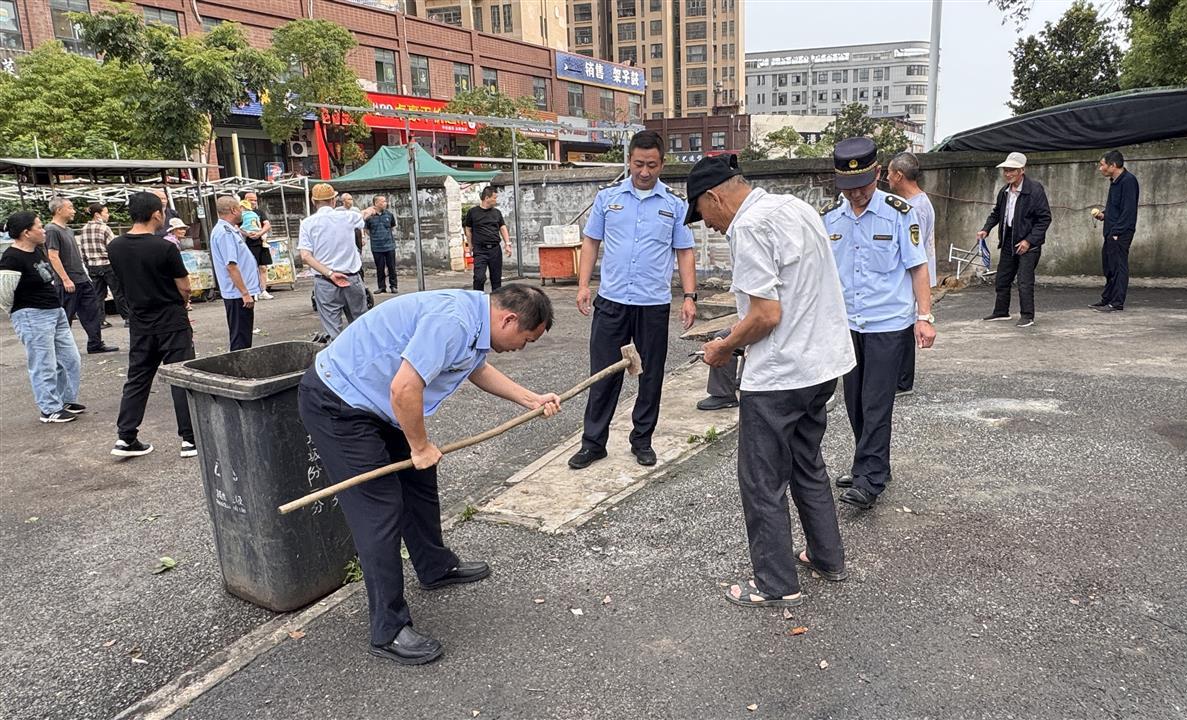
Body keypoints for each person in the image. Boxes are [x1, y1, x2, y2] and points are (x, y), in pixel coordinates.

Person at [297, 284, 562, 664]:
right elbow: (404, 388)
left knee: (418, 481)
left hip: (377, 403)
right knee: (379, 508)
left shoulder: (475, 320)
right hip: (338, 402)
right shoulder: (454, 321)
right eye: (526, 339)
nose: (522, 348)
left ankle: (435, 566)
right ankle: (388, 630)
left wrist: (530, 399)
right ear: (509, 319)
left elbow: (476, 368)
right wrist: (419, 447)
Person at [687, 155, 856, 609]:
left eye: (702, 215)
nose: (709, 227)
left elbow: (765, 314)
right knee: (806, 463)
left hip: (780, 374)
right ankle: (827, 557)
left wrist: (725, 347)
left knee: (762, 480)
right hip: (821, 365)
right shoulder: (796, 207)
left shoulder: (748, 226)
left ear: (714, 197)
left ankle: (776, 583)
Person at [570, 130, 698, 470]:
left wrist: (689, 296)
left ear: (662, 164)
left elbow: (685, 251)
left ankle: (642, 440)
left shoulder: (674, 205)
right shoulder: (607, 199)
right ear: (629, 161)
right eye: (639, 164)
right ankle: (593, 443)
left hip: (652, 304)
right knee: (603, 375)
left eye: (652, 165)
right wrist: (583, 285)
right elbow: (591, 242)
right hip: (611, 301)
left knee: (651, 376)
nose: (644, 171)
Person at [823, 137, 937, 511]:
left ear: (877, 175)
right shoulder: (830, 218)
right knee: (854, 401)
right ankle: (871, 465)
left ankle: (868, 480)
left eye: (862, 186)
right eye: (848, 187)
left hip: (888, 322)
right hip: (849, 323)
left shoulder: (899, 213)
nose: (856, 194)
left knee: (876, 402)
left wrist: (924, 317)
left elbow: (918, 267)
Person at [108, 192, 197, 459]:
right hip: (171, 320)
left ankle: (126, 436)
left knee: (137, 379)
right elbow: (184, 286)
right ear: (157, 214)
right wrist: (183, 302)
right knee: (181, 376)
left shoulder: (115, 246)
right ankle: (190, 439)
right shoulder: (165, 247)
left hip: (140, 322)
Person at [0, 211, 84, 423]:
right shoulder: (11, 258)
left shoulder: (37, 250)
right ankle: (49, 408)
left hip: (55, 310)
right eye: (39, 226)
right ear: (26, 232)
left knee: (70, 359)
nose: (43, 230)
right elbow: (4, 293)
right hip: (32, 314)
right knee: (43, 363)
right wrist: (18, 314)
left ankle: (64, 399)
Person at [978, 152, 1052, 328]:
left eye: (1012, 170)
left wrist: (1029, 241)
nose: (1007, 174)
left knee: (1024, 281)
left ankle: (1027, 315)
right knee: (1002, 278)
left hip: (1028, 242)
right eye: (1006, 170)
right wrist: (986, 229)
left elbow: (1044, 219)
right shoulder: (1004, 191)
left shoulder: (1034, 190)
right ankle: (1001, 311)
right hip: (1009, 239)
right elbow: (997, 213)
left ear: (1021, 170)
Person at [886, 151, 937, 396]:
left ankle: (902, 380)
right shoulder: (918, 202)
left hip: (912, 275)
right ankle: (901, 378)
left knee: (906, 324)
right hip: (913, 274)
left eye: (889, 173)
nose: (887, 178)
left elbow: (915, 251)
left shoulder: (915, 208)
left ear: (898, 175)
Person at [299, 183, 375, 341]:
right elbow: (364, 214)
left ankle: (337, 354)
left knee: (333, 332)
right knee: (361, 326)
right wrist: (371, 209)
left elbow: (305, 256)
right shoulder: (347, 216)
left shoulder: (307, 223)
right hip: (351, 278)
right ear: (333, 200)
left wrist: (330, 273)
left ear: (313, 201)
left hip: (325, 281)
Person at [46, 197, 116, 354]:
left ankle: (95, 344)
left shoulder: (68, 230)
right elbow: (53, 256)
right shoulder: (52, 230)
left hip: (82, 278)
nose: (74, 211)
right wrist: (65, 279)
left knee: (92, 311)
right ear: (59, 210)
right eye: (70, 207)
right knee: (66, 316)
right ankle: (59, 348)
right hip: (68, 281)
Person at [1091, 150, 1140, 313]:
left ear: (1113, 165)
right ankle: (1107, 299)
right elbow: (1116, 207)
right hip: (1111, 230)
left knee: (1118, 266)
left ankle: (1117, 302)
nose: (1100, 168)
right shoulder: (1115, 181)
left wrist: (1116, 232)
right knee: (1109, 265)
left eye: (1102, 165)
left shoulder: (1128, 181)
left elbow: (1128, 210)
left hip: (1120, 232)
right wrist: (1104, 215)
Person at [210, 196, 261, 351]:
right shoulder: (225, 233)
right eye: (239, 208)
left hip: (239, 292)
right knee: (240, 339)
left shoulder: (230, 230)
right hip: (237, 294)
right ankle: (239, 364)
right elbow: (231, 266)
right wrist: (244, 293)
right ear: (233, 210)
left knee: (244, 335)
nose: (242, 212)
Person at [79, 202, 129, 329]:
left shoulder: (84, 229)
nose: (108, 215)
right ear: (97, 215)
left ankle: (100, 321)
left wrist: (88, 263)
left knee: (98, 295)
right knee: (118, 292)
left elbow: (83, 250)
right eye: (106, 212)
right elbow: (114, 248)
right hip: (107, 264)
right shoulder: (105, 228)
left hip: (92, 265)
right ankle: (127, 318)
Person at [462, 187, 511, 292]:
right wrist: (470, 245)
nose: (496, 200)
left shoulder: (497, 213)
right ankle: (477, 298)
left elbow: (502, 227)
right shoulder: (473, 212)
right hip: (480, 250)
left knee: (496, 280)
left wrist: (507, 243)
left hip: (495, 250)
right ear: (487, 198)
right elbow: (468, 229)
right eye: (494, 198)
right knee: (479, 277)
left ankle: (496, 300)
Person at [242, 191, 273, 300]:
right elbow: (236, 227)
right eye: (251, 200)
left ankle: (263, 290)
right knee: (251, 267)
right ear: (245, 200)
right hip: (248, 243)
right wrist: (247, 234)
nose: (254, 202)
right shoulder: (241, 213)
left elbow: (267, 224)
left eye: (255, 200)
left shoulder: (259, 212)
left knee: (263, 267)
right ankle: (252, 290)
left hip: (262, 242)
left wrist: (259, 233)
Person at [365, 195, 398, 294]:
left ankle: (393, 286)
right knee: (380, 268)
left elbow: (392, 227)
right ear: (376, 203)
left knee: (391, 267)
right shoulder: (369, 217)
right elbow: (367, 230)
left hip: (389, 246)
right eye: (383, 201)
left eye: (385, 201)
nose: (385, 203)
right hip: (376, 247)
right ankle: (381, 287)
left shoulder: (389, 215)